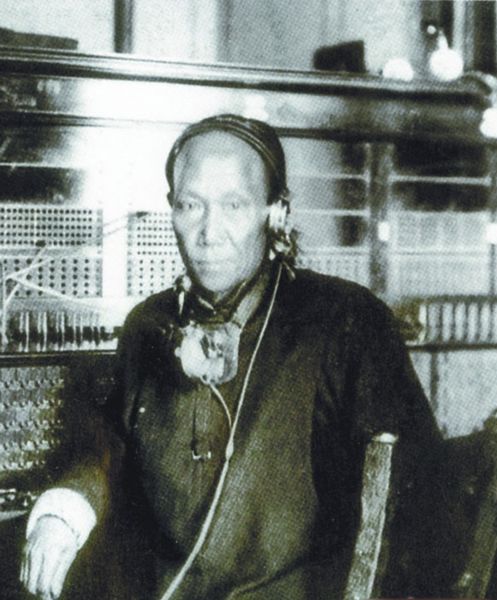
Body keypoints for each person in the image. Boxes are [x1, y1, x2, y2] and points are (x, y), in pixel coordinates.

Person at [20, 114, 442, 600]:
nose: (208, 231)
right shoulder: (147, 326)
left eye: (234, 205)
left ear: (275, 212)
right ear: (171, 209)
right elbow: (106, 451)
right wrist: (63, 514)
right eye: (190, 205)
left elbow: (419, 506)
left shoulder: (345, 322)